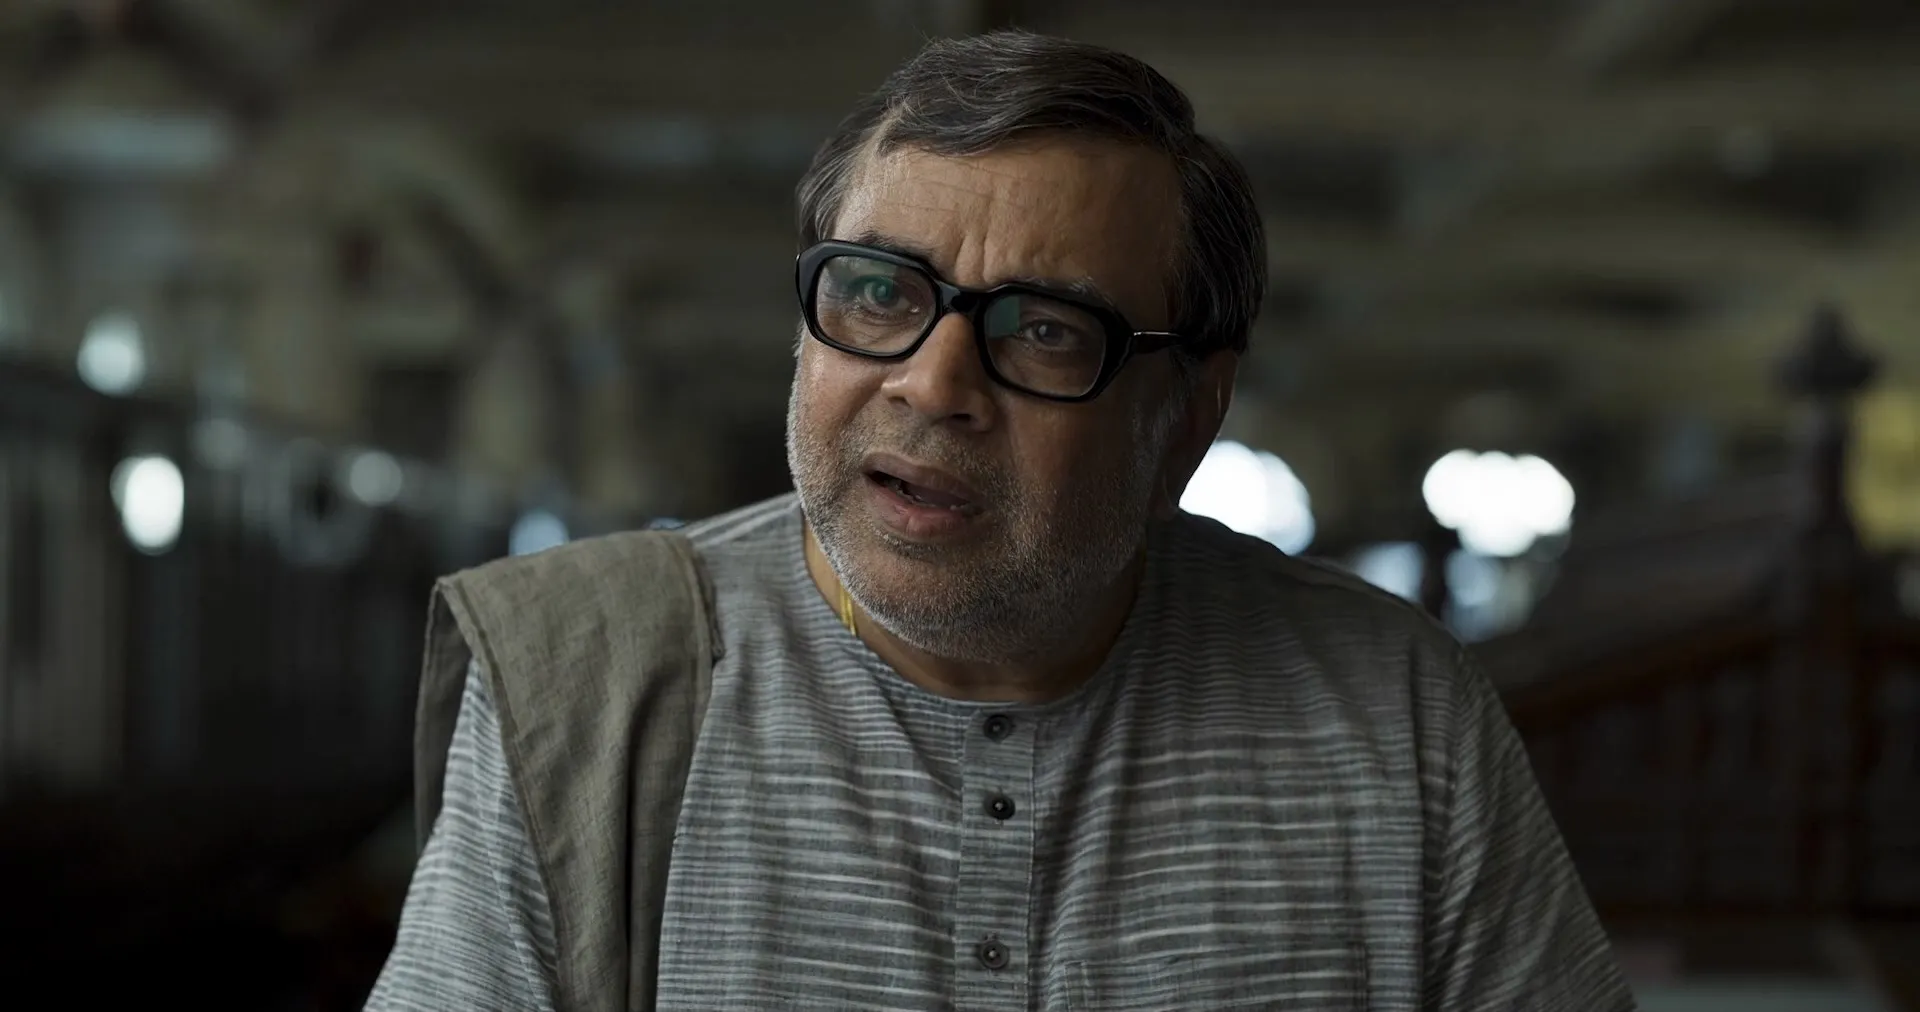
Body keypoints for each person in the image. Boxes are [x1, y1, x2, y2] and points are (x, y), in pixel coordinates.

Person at [366, 29, 1636, 1012]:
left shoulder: (1392, 714)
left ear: (1188, 414)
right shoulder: (587, 684)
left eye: (1043, 329)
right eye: (879, 293)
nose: (933, 384)